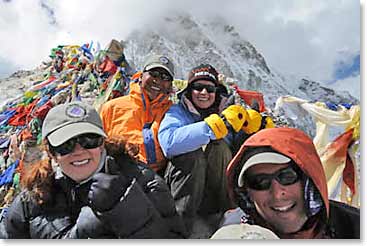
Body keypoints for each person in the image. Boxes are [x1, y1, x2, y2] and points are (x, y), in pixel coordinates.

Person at [2, 101, 186, 239]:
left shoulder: (141, 180)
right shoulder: (34, 194)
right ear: (51, 152)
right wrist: (82, 231)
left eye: (89, 140)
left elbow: (174, 237)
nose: (79, 151)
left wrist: (126, 207)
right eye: (66, 145)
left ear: (102, 144)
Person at [158, 64, 252, 235]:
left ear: (216, 92)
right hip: (186, 187)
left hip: (216, 188)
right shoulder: (178, 111)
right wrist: (212, 128)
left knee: (220, 146)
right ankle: (179, 230)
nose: (203, 93)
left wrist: (252, 128)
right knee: (191, 154)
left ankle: (229, 221)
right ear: (189, 90)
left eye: (209, 88)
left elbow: (239, 150)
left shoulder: (228, 112)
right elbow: (169, 143)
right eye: (197, 87)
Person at [222, 127, 360, 239]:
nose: (277, 194)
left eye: (287, 177)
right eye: (259, 182)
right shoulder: (231, 234)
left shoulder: (355, 227)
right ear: (248, 195)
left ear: (309, 182)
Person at [100, 54, 174, 174]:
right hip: (121, 173)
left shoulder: (172, 111)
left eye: (165, 77)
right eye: (153, 74)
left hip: (160, 175)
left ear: (170, 85)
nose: (158, 81)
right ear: (140, 76)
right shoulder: (112, 108)